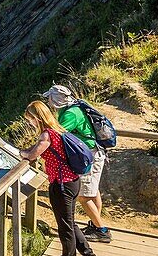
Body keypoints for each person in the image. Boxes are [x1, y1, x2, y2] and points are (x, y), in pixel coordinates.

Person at [19, 100, 102, 256]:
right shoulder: (58, 130)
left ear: (37, 118)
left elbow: (33, 154)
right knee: (70, 223)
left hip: (61, 184)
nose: (29, 123)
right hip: (73, 181)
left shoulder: (46, 136)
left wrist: (21, 153)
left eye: (30, 119)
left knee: (65, 225)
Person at [45, 84, 111, 243]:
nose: (48, 101)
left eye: (49, 98)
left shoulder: (70, 114)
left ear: (56, 99)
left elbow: (57, 133)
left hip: (89, 155)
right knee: (92, 191)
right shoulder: (71, 109)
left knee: (83, 196)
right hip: (92, 152)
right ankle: (96, 226)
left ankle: (102, 231)